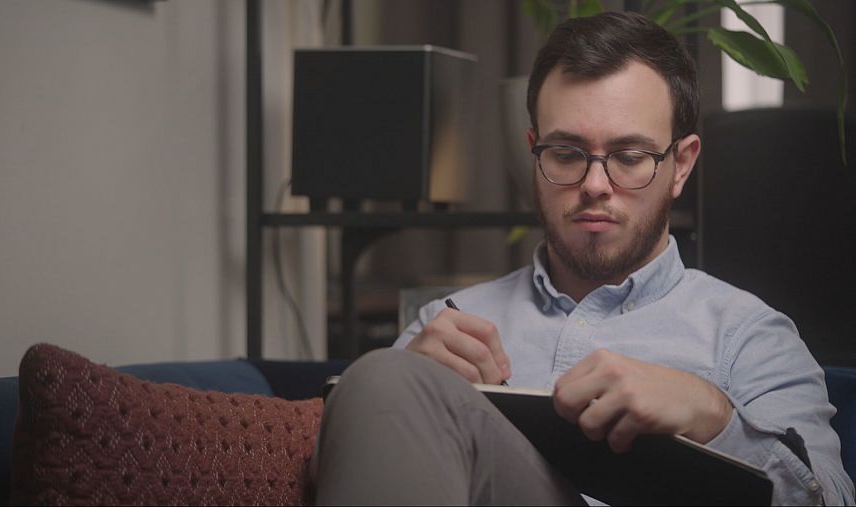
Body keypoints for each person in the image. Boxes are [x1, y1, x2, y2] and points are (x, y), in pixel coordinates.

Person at [311, 11, 855, 506]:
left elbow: (830, 500)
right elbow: (332, 474)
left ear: (682, 164)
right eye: (567, 154)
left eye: (630, 156)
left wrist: (713, 415)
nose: (595, 184)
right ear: (533, 148)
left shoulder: (749, 337)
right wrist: (409, 404)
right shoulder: (447, 324)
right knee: (386, 378)